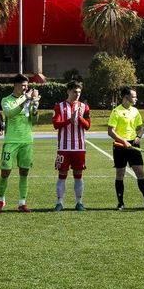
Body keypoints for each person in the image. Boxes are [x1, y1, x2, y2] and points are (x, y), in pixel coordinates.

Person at [0, 75, 39, 212]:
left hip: (26, 141)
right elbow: (10, 113)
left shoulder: (28, 99)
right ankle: (1, 200)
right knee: (5, 172)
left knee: (24, 172)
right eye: (24, 85)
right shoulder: (6, 100)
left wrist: (35, 105)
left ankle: (22, 203)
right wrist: (25, 99)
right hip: (11, 141)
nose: (26, 88)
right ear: (16, 85)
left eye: (27, 86)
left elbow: (34, 119)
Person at [107, 86, 144, 210]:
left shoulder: (135, 111)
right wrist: (123, 141)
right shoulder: (116, 112)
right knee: (120, 174)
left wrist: (138, 137)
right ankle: (120, 203)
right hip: (120, 146)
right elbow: (110, 131)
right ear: (126, 97)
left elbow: (141, 128)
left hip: (134, 146)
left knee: (140, 172)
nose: (136, 98)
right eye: (134, 96)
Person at [52, 80, 93, 210]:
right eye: (75, 91)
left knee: (78, 174)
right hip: (63, 147)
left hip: (79, 147)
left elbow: (87, 126)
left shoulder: (84, 107)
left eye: (79, 92)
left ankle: (79, 202)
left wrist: (79, 118)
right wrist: (69, 120)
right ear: (68, 91)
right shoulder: (59, 106)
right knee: (62, 174)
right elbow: (56, 125)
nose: (77, 94)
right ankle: (59, 203)